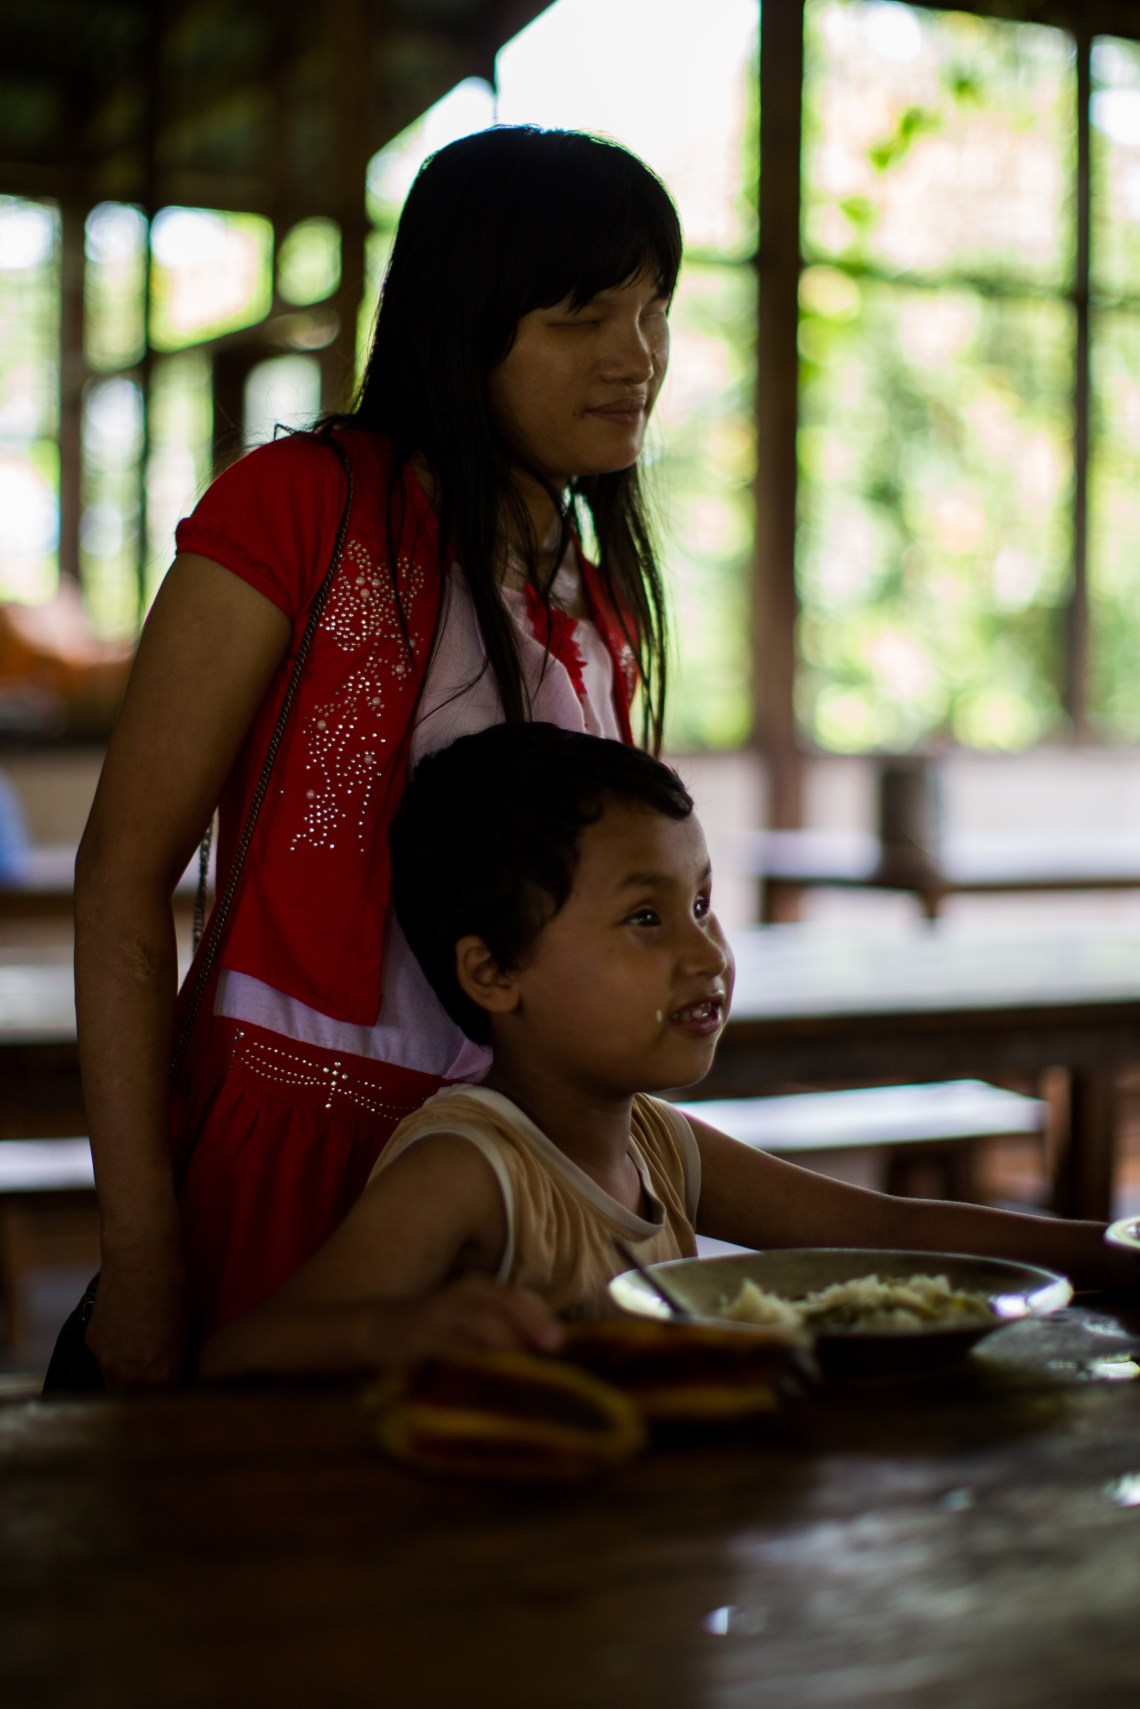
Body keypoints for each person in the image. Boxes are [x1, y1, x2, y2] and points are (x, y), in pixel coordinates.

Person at [71, 125, 683, 1389]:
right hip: (291, 1156)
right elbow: (124, 880)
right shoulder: (298, 505)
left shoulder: (598, 600)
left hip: (522, 1173)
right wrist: (139, 1241)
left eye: (654, 310)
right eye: (584, 317)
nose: (638, 358)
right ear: (467, 325)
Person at [200, 724, 1136, 1381]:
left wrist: (1109, 1251)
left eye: (700, 903)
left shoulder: (657, 1143)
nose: (706, 952)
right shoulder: (469, 1167)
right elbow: (244, 1351)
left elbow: (895, 1235)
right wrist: (398, 1333)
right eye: (646, 917)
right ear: (493, 973)